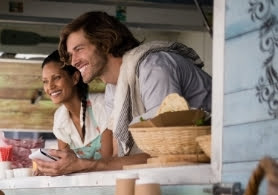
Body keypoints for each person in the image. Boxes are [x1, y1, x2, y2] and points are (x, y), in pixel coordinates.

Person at [37, 10, 212, 175]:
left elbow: (167, 154)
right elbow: (117, 158)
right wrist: (75, 165)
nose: (73, 61)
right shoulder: (114, 89)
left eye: (79, 49)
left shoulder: (153, 67)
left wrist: (85, 165)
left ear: (105, 42)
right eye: (70, 54)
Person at [41, 50, 112, 162]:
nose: (50, 86)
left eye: (57, 78)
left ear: (74, 78)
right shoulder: (60, 117)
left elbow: (108, 161)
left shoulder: (101, 105)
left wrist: (73, 166)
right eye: (45, 81)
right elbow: (65, 163)